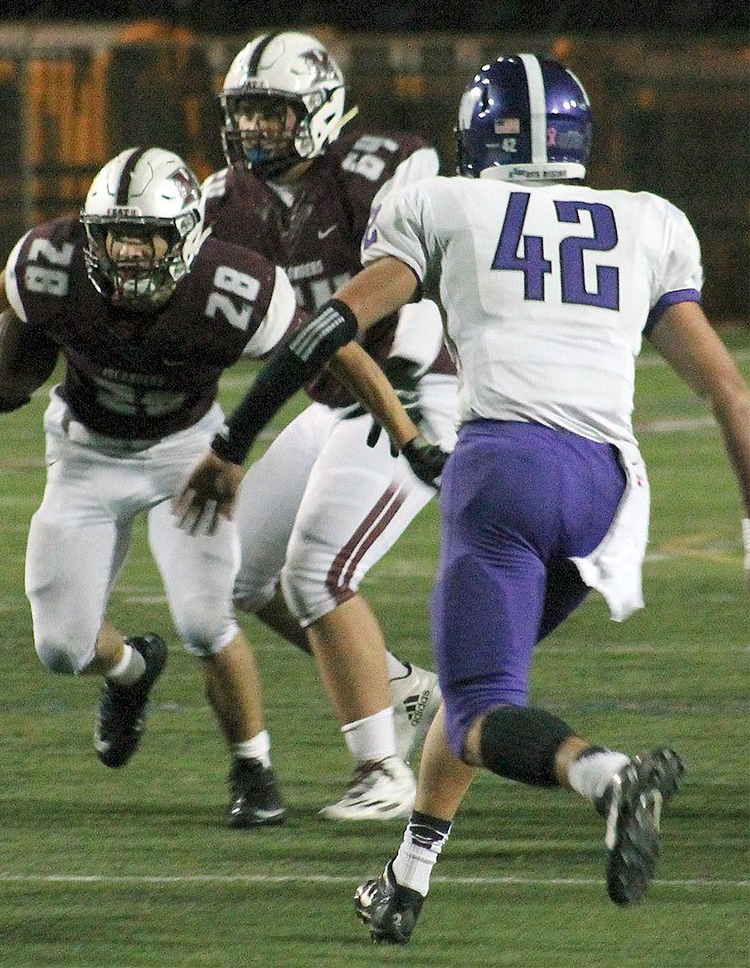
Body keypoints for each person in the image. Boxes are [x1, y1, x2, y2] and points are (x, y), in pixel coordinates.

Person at [177, 53, 750, 941]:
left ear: (477, 134)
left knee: (482, 704)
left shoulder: (442, 200)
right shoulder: (647, 220)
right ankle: (406, 879)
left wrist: (236, 436)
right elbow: (729, 392)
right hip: (608, 488)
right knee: (480, 687)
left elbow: (336, 324)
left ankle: (605, 775)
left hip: (505, 470)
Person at [0, 146, 298, 827]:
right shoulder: (52, 259)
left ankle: (253, 766)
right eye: (116, 234)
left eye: (146, 236)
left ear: (187, 236)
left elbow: (307, 348)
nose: (129, 252)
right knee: (60, 647)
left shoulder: (237, 286)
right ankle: (132, 669)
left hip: (185, 453)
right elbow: (12, 286)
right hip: (86, 452)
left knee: (205, 618)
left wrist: (237, 445)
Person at [201, 30, 451, 820]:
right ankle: (403, 687)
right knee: (236, 572)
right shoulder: (227, 199)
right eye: (244, 115)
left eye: (272, 115)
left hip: (409, 393)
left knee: (318, 575)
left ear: (319, 111)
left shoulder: (382, 170)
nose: (254, 132)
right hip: (329, 400)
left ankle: (382, 771)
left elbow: (428, 279)